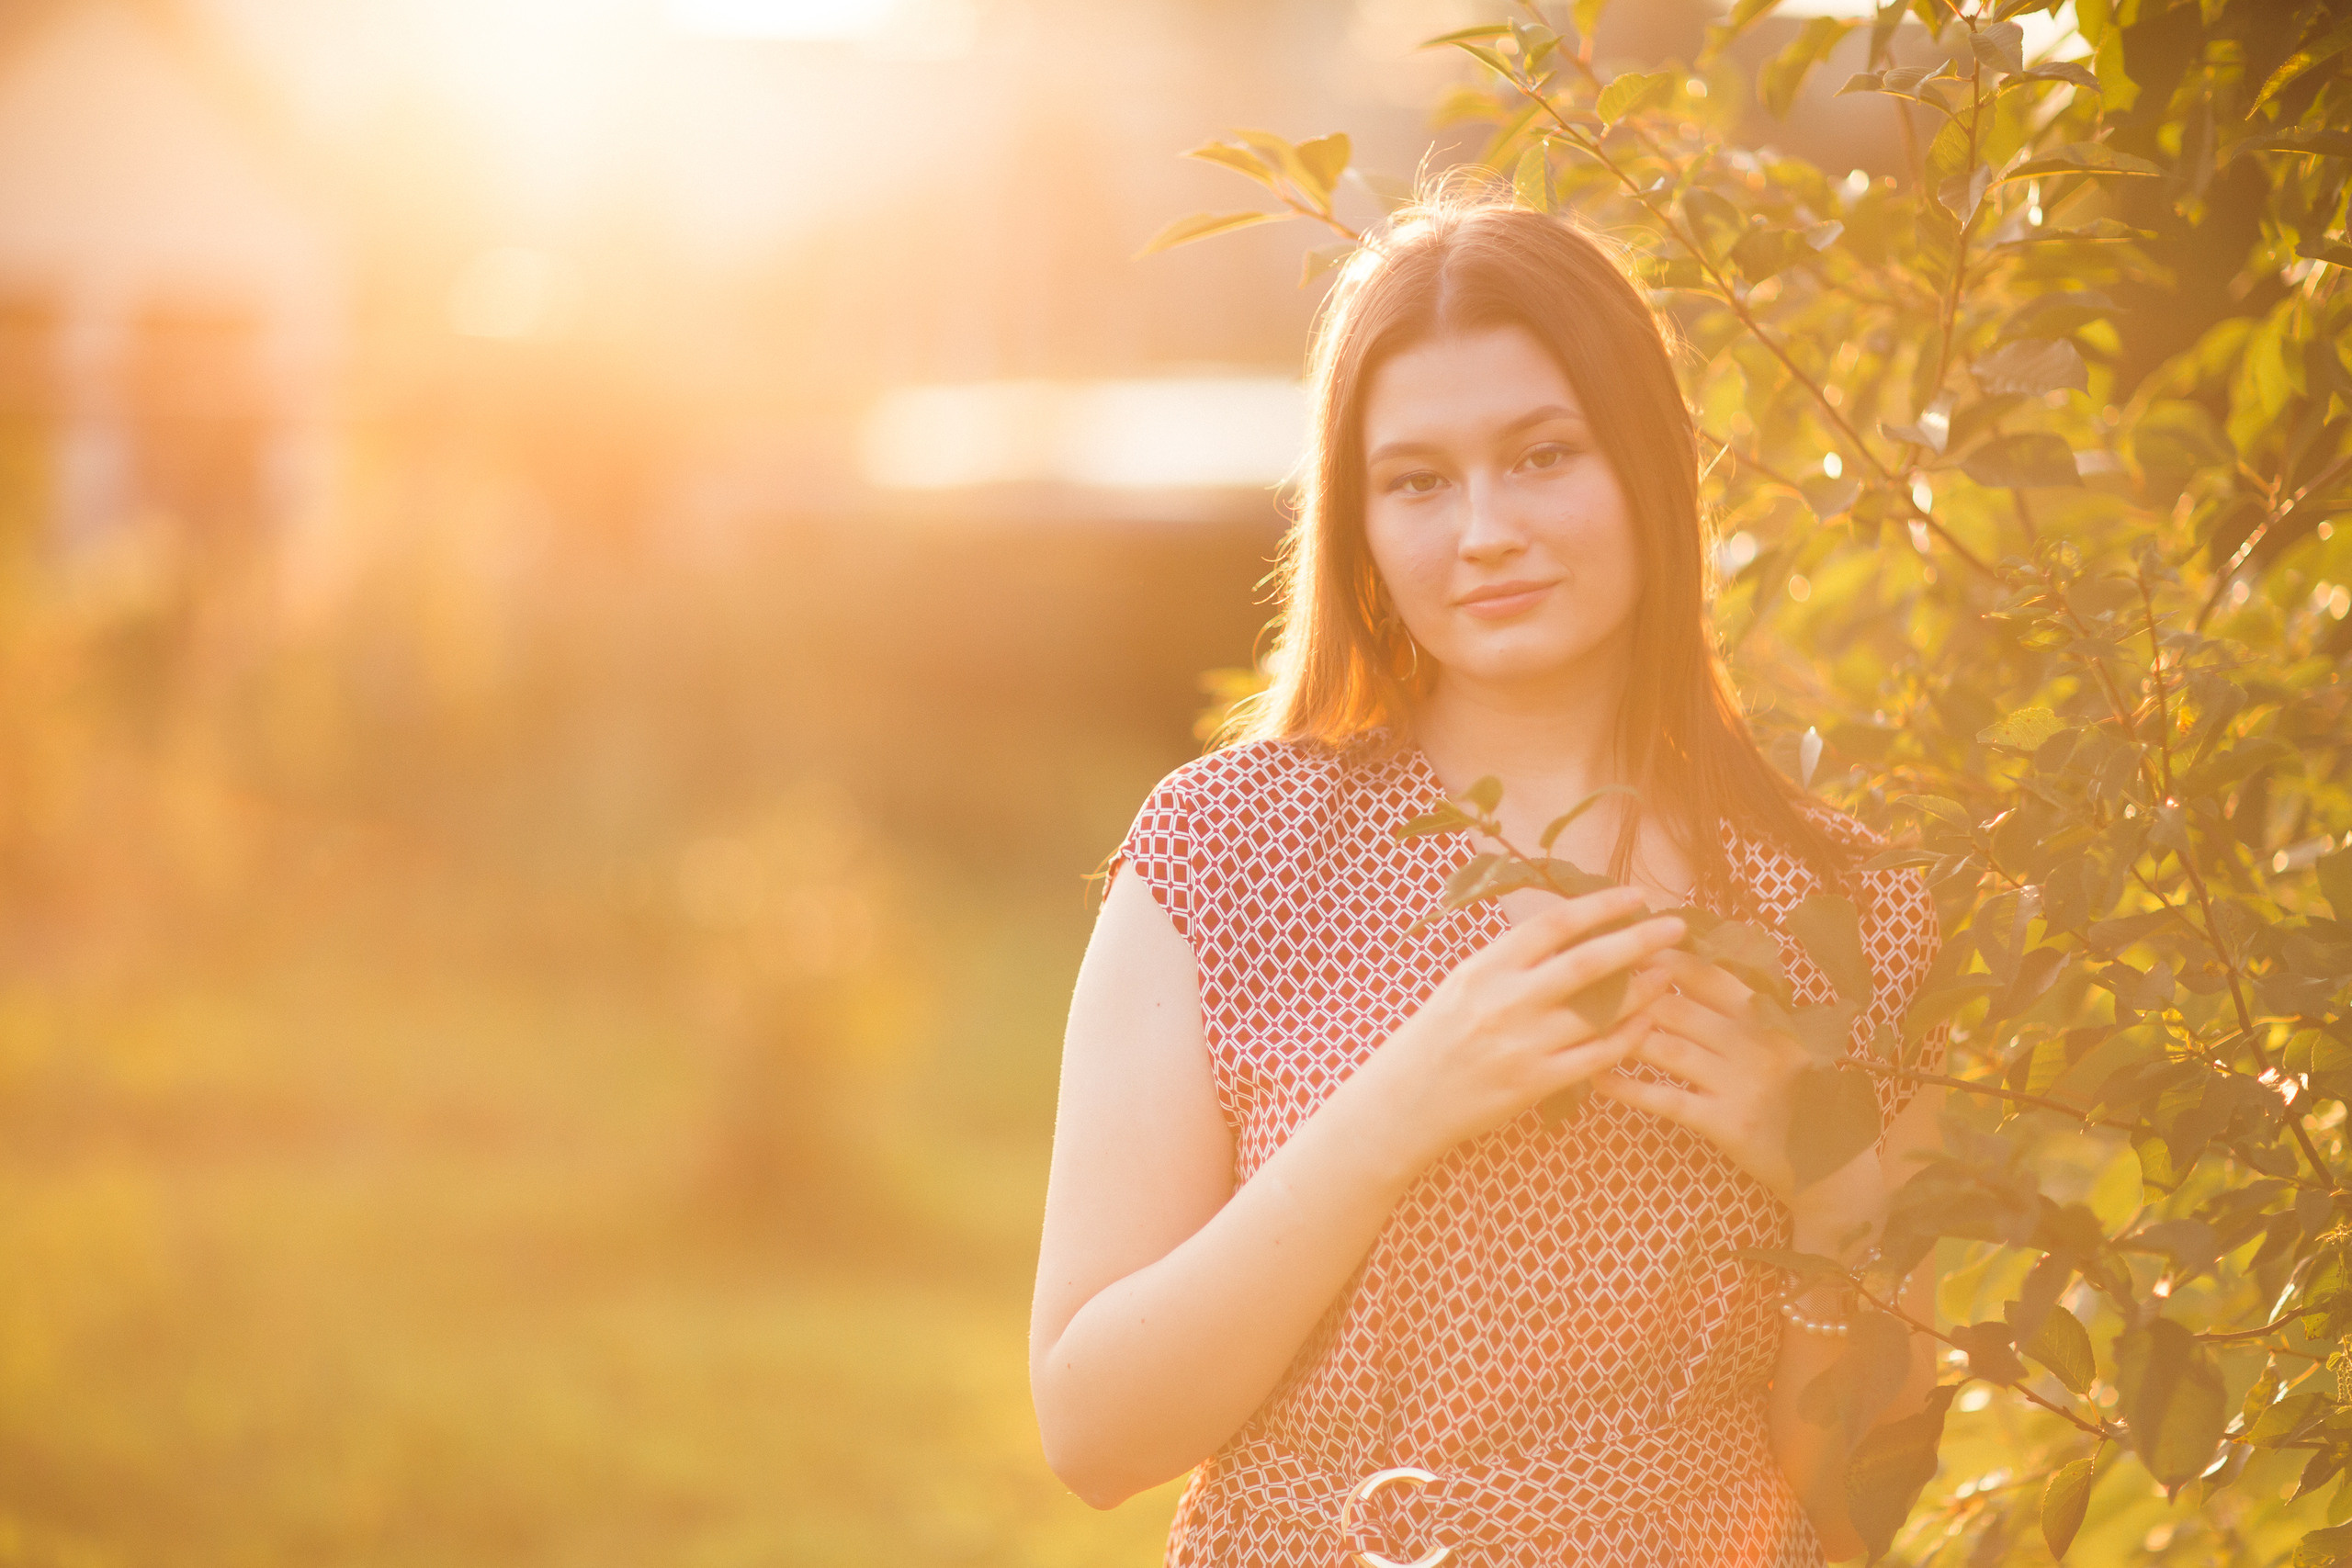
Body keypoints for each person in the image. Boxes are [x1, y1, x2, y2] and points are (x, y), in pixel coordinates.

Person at [1029, 191, 1948, 1568]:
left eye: (1543, 455)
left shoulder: (1846, 908)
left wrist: (1831, 1180)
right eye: (1417, 481)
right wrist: (1399, 1108)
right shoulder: (1228, 850)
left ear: (1649, 465)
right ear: (1357, 523)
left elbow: (1862, 1511)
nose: (1485, 530)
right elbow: (1094, 1434)